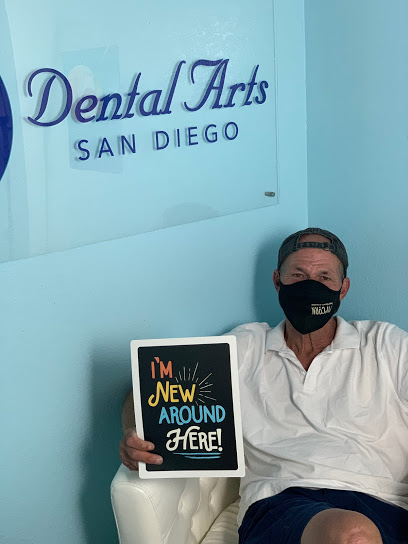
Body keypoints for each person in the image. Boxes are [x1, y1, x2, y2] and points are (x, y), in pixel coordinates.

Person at [119, 227, 408, 544]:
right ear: (277, 282)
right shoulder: (244, 347)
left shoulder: (386, 344)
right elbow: (146, 389)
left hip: (384, 504)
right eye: (298, 275)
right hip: (281, 502)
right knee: (352, 535)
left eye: (324, 277)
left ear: (343, 289)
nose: (310, 286)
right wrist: (135, 434)